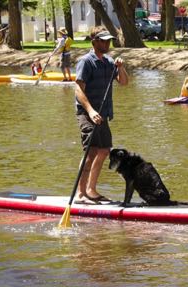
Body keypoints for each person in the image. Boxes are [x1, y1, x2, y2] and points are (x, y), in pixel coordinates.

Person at [74, 26, 128, 204]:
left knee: (104, 151)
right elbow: (78, 90)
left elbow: (124, 83)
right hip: (87, 113)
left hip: (103, 114)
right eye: (103, 40)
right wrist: (90, 110)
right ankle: (81, 195)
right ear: (94, 42)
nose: (106, 43)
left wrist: (120, 67)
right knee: (91, 153)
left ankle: (91, 190)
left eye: (108, 40)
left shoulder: (109, 62)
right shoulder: (85, 62)